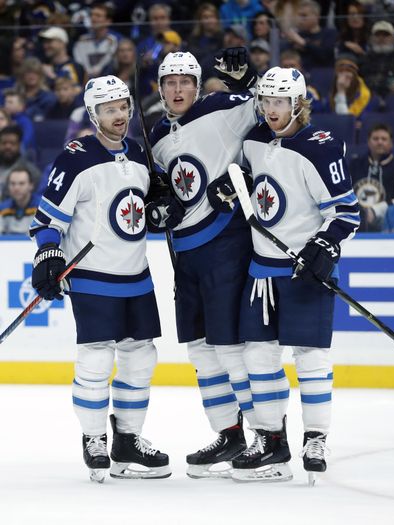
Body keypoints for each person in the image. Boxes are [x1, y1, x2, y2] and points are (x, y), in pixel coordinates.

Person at [29, 75, 173, 483]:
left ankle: (127, 439)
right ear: (93, 115)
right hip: (92, 275)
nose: (119, 115)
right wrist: (49, 255)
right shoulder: (74, 158)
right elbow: (46, 220)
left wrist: (160, 209)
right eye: (109, 109)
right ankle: (93, 438)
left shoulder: (140, 154)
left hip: (137, 274)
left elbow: (145, 208)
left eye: (123, 107)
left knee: (141, 357)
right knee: (95, 357)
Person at [229, 66, 360, 483]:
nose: (271, 109)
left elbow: (346, 212)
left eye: (279, 102)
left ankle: (315, 437)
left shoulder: (319, 147)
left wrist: (324, 245)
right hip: (262, 271)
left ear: (298, 104)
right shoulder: (252, 141)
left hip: (304, 272)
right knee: (257, 356)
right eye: (266, 101)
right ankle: (270, 441)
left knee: (311, 358)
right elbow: (253, 179)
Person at [149, 50, 259, 478]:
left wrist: (247, 78)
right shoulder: (156, 133)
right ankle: (229, 434)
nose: (177, 89)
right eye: (169, 82)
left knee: (232, 350)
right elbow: (161, 187)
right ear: (160, 89)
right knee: (201, 350)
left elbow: (272, 108)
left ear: (198, 86)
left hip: (226, 245)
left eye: (185, 81)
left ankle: (268, 438)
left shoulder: (221, 109)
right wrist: (161, 205)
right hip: (184, 256)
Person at [350, 123, 394, 232]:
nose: (380, 142)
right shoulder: (355, 164)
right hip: (356, 219)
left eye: (384, 139)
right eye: (375, 139)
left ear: (391, 143)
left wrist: (377, 210)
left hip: (388, 222)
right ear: (368, 142)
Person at [0, 163, 40, 234]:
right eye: (13, 183)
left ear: (31, 185)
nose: (16, 188)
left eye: (21, 183)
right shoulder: (2, 208)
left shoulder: (41, 208)